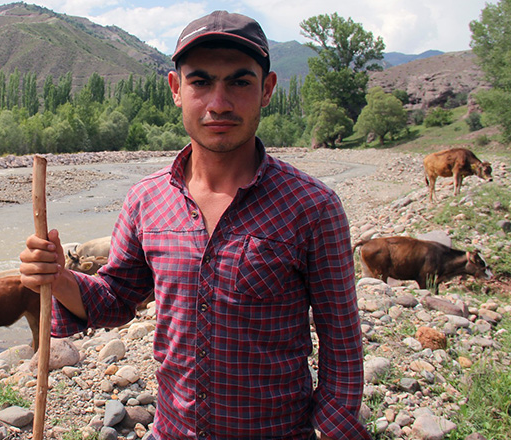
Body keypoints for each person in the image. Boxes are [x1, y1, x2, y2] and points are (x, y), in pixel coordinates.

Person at [20, 10, 369, 440]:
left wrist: (331, 431)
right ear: (176, 89)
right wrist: (58, 276)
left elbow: (344, 348)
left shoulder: (313, 207)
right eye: (201, 82)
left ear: (267, 90)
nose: (219, 103)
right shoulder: (147, 201)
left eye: (240, 82)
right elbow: (115, 299)